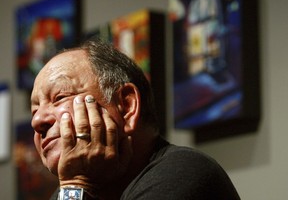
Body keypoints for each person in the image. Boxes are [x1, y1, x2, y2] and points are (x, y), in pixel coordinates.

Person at [30, 39, 240, 200]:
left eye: (59, 97)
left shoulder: (184, 172)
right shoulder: (71, 187)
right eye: (34, 110)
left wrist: (75, 183)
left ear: (127, 106)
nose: (37, 120)